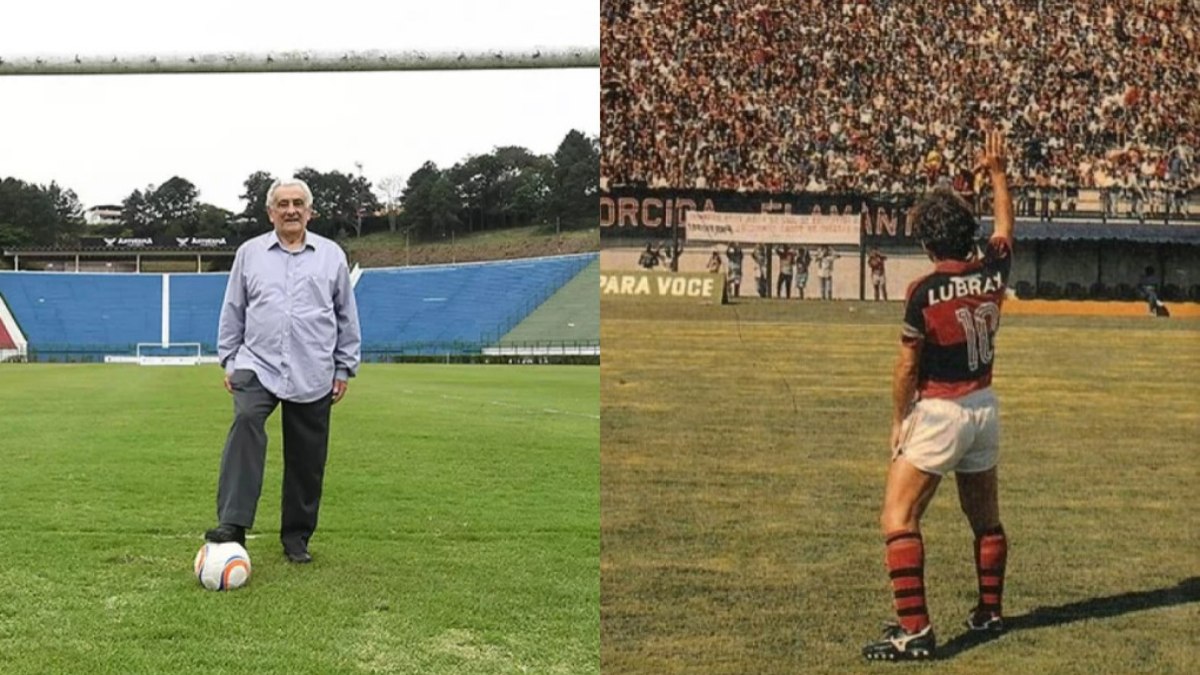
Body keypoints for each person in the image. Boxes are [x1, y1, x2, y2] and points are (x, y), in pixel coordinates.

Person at [862, 130, 1014, 661]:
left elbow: (908, 365)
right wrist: (996, 172)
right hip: (984, 407)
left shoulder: (923, 291)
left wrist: (899, 419)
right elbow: (1003, 228)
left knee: (898, 518)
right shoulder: (993, 270)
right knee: (984, 518)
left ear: (927, 245)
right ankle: (989, 612)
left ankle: (916, 631)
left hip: (941, 410)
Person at [204, 178, 362, 564]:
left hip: (314, 368)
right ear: (270, 212)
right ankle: (233, 524)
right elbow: (234, 309)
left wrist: (343, 366)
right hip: (257, 364)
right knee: (245, 424)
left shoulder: (331, 255)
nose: (290, 210)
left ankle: (296, 535)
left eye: (298, 204)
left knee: (307, 457)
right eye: (282, 204)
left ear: (310, 212)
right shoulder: (249, 253)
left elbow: (346, 314)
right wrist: (229, 358)